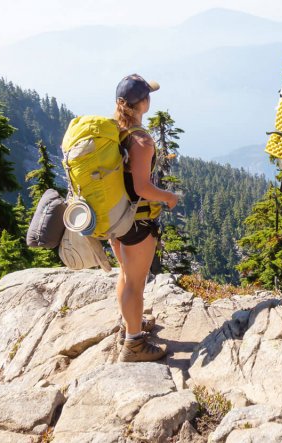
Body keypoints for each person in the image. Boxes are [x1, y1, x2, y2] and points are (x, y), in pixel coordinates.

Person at [110, 74, 180, 362]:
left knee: (126, 275)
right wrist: (168, 197)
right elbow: (142, 187)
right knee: (136, 282)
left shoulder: (116, 131)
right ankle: (134, 344)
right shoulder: (141, 140)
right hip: (135, 222)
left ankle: (131, 324)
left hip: (115, 216)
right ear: (144, 103)